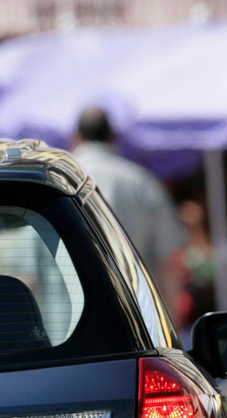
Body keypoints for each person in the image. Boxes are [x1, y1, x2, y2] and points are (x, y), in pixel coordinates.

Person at [72, 106, 185, 309]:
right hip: (136, 311)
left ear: (76, 137)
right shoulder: (142, 182)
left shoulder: (58, 181)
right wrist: (172, 318)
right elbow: (167, 259)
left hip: (73, 314)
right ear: (113, 137)